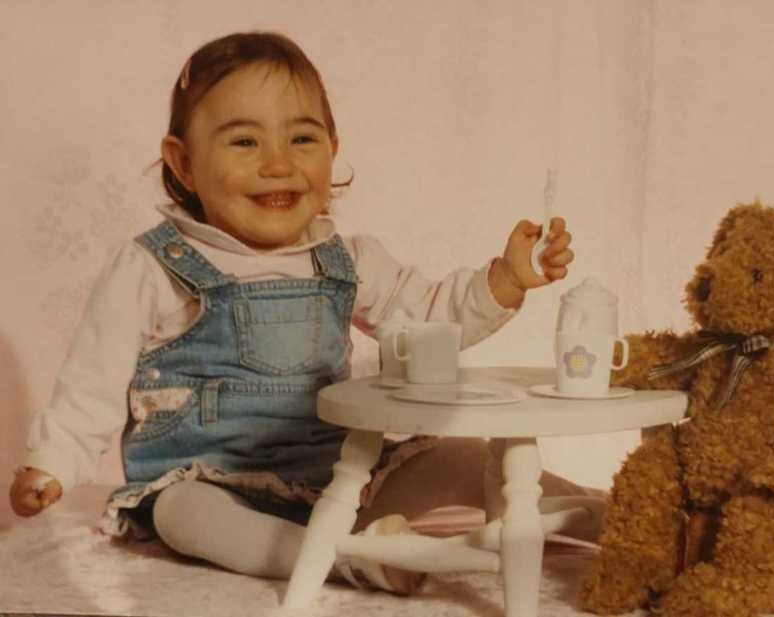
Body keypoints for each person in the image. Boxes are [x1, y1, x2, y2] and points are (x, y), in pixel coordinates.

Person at [9, 31, 604, 595]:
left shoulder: (344, 259)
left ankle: (615, 516)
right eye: (245, 141)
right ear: (183, 162)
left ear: (333, 149)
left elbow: (430, 316)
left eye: (302, 139)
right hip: (205, 476)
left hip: (344, 472)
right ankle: (352, 558)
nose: (278, 163)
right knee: (183, 516)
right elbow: (93, 378)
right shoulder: (155, 266)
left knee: (467, 458)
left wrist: (502, 280)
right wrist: (53, 462)